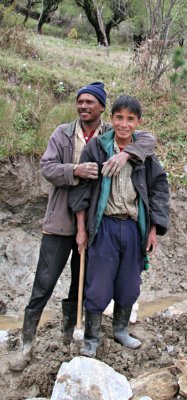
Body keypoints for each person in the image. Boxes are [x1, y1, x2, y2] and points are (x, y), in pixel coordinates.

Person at [9, 83, 156, 371]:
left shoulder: (110, 136)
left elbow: (147, 141)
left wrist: (125, 154)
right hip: (61, 222)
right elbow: (47, 167)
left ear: (103, 108)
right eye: (81, 101)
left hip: (93, 223)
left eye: (91, 102)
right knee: (44, 283)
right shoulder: (63, 133)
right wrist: (74, 170)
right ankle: (26, 345)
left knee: (82, 282)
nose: (84, 106)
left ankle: (68, 336)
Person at [69, 94, 169, 357]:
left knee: (129, 283)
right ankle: (91, 337)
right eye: (119, 118)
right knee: (98, 283)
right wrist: (81, 229)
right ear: (111, 119)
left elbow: (158, 190)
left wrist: (153, 229)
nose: (124, 124)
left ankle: (121, 330)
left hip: (134, 228)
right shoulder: (98, 148)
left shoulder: (144, 154)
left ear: (138, 122)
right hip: (104, 227)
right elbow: (81, 191)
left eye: (130, 119)